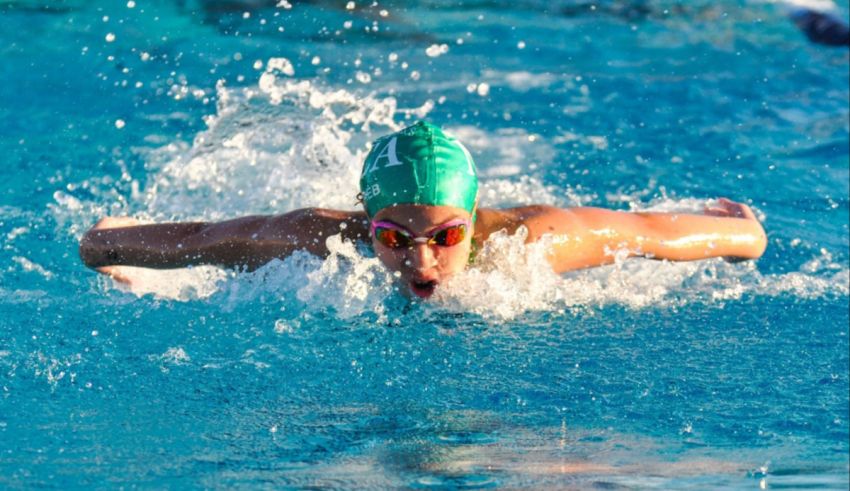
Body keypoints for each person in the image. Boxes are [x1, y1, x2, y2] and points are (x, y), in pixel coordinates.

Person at [79, 121, 767, 299]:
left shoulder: (533, 244)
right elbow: (207, 237)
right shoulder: (324, 241)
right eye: (391, 234)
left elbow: (651, 235)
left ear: (473, 221)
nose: (419, 256)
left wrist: (744, 235)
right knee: (237, 261)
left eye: (446, 235)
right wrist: (108, 246)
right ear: (364, 222)